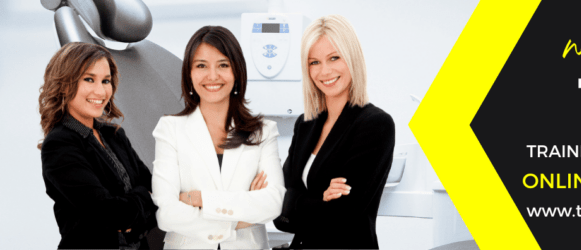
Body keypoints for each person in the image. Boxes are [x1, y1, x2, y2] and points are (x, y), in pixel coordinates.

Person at [150, 26, 285, 249]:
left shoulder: (262, 131)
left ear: (237, 72)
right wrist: (241, 213)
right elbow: (167, 213)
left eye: (223, 65)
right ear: (189, 73)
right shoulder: (170, 128)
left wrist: (200, 199)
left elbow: (273, 203)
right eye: (201, 65)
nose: (212, 76)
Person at [273, 14, 395, 249]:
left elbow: (343, 216)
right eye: (314, 62)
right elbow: (279, 212)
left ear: (352, 59)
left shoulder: (375, 125)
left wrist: (297, 200)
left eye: (334, 58)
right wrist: (320, 200)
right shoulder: (306, 124)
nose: (324, 71)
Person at [39, 42, 158, 249]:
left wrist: (130, 218)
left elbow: (155, 191)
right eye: (89, 79)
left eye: (106, 81)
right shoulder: (59, 145)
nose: (100, 91)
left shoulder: (114, 134)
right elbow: (108, 213)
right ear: (65, 84)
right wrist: (141, 200)